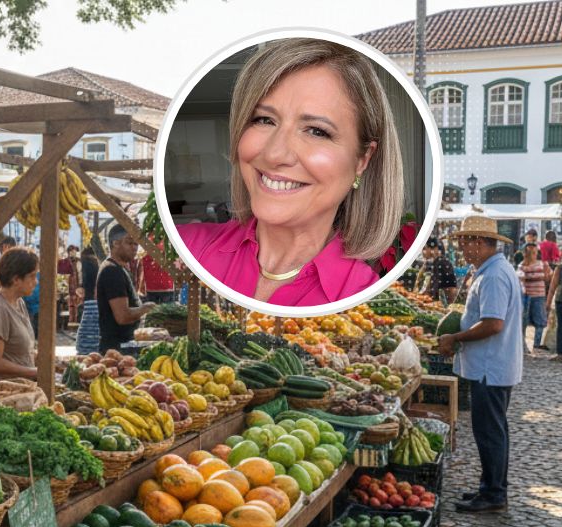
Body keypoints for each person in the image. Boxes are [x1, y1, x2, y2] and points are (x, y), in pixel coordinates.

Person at [175, 38, 402, 306]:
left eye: (317, 131)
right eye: (263, 120)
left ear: (363, 159)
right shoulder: (183, 247)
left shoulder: (365, 297)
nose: (275, 154)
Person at [436, 216, 522, 513]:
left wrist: (455, 337)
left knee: (489, 432)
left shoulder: (494, 275)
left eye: (465, 241)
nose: (461, 247)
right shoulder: (491, 271)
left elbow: (493, 324)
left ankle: (494, 494)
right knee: (493, 431)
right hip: (492, 365)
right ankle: (491, 488)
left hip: (490, 367)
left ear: (480, 242)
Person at [96, 224, 155, 353]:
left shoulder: (119, 269)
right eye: (129, 243)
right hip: (117, 350)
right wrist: (145, 308)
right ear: (115, 243)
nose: (134, 248)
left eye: (136, 244)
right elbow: (122, 316)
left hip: (121, 346)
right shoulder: (112, 271)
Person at [0, 248, 39, 388]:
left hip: (22, 387)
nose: (36, 282)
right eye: (32, 276)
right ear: (16, 279)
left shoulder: (18, 302)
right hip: (4, 392)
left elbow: (22, 352)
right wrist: (33, 372)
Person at [516, 243, 549, 352]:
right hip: (527, 297)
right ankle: (522, 346)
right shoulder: (521, 266)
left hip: (539, 295)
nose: (532, 255)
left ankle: (536, 345)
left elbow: (548, 277)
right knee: (524, 322)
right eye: (530, 252)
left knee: (540, 321)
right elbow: (520, 279)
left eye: (534, 252)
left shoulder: (541, 264)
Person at [421, 238, 458, 304]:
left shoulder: (443, 263)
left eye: (424, 248)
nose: (422, 251)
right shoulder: (437, 263)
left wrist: (447, 307)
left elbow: (451, 289)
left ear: (435, 249)